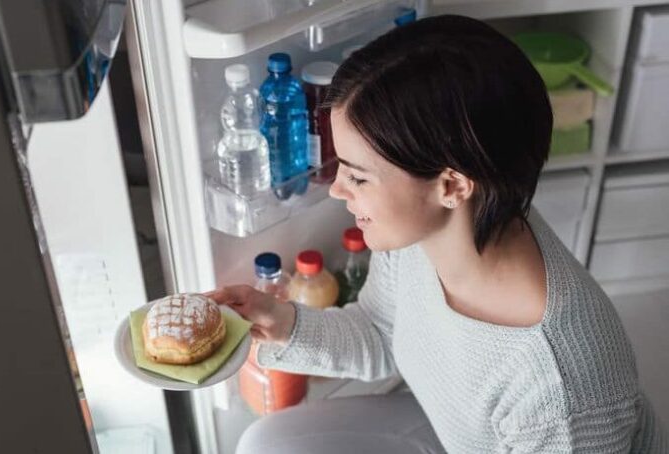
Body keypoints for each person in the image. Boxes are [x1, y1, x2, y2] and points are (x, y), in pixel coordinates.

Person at [208, 14, 668, 454]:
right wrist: (281, 322)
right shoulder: (421, 236)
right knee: (266, 443)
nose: (337, 190)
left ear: (451, 185)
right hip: (458, 430)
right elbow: (384, 331)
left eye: (359, 177)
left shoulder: (562, 389)